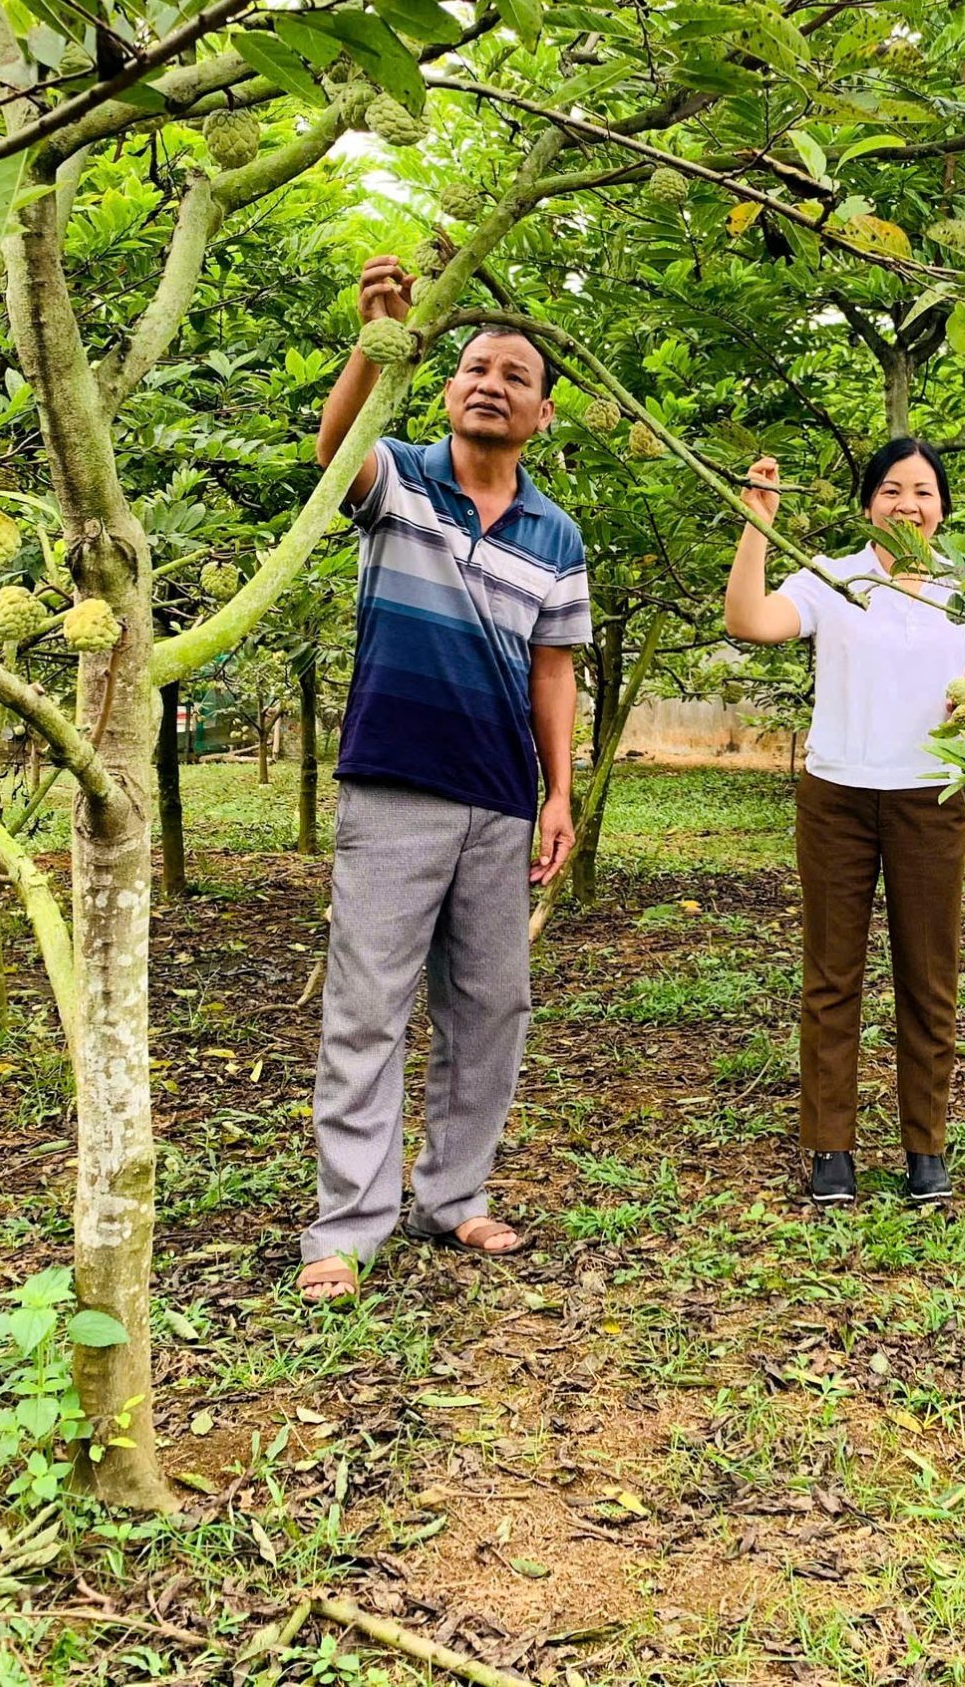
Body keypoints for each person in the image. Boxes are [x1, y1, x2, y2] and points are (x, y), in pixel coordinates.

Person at [294, 255, 590, 1301]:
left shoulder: (557, 534)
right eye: (474, 367)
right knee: (367, 1008)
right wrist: (376, 346)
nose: (490, 384)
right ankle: (349, 1224)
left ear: (541, 413)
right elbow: (337, 452)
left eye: (514, 375)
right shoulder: (402, 479)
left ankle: (454, 1197)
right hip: (395, 784)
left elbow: (554, 672)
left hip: (501, 795)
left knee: (491, 1005)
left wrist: (559, 793)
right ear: (449, 383)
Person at [724, 443, 965, 1208]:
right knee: (832, 977)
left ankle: (925, 1148)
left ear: (943, 506)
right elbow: (748, 620)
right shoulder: (830, 577)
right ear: (867, 502)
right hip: (837, 796)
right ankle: (829, 1147)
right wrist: (757, 522)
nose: (907, 504)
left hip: (930, 801)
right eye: (891, 490)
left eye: (923, 491)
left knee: (928, 977)